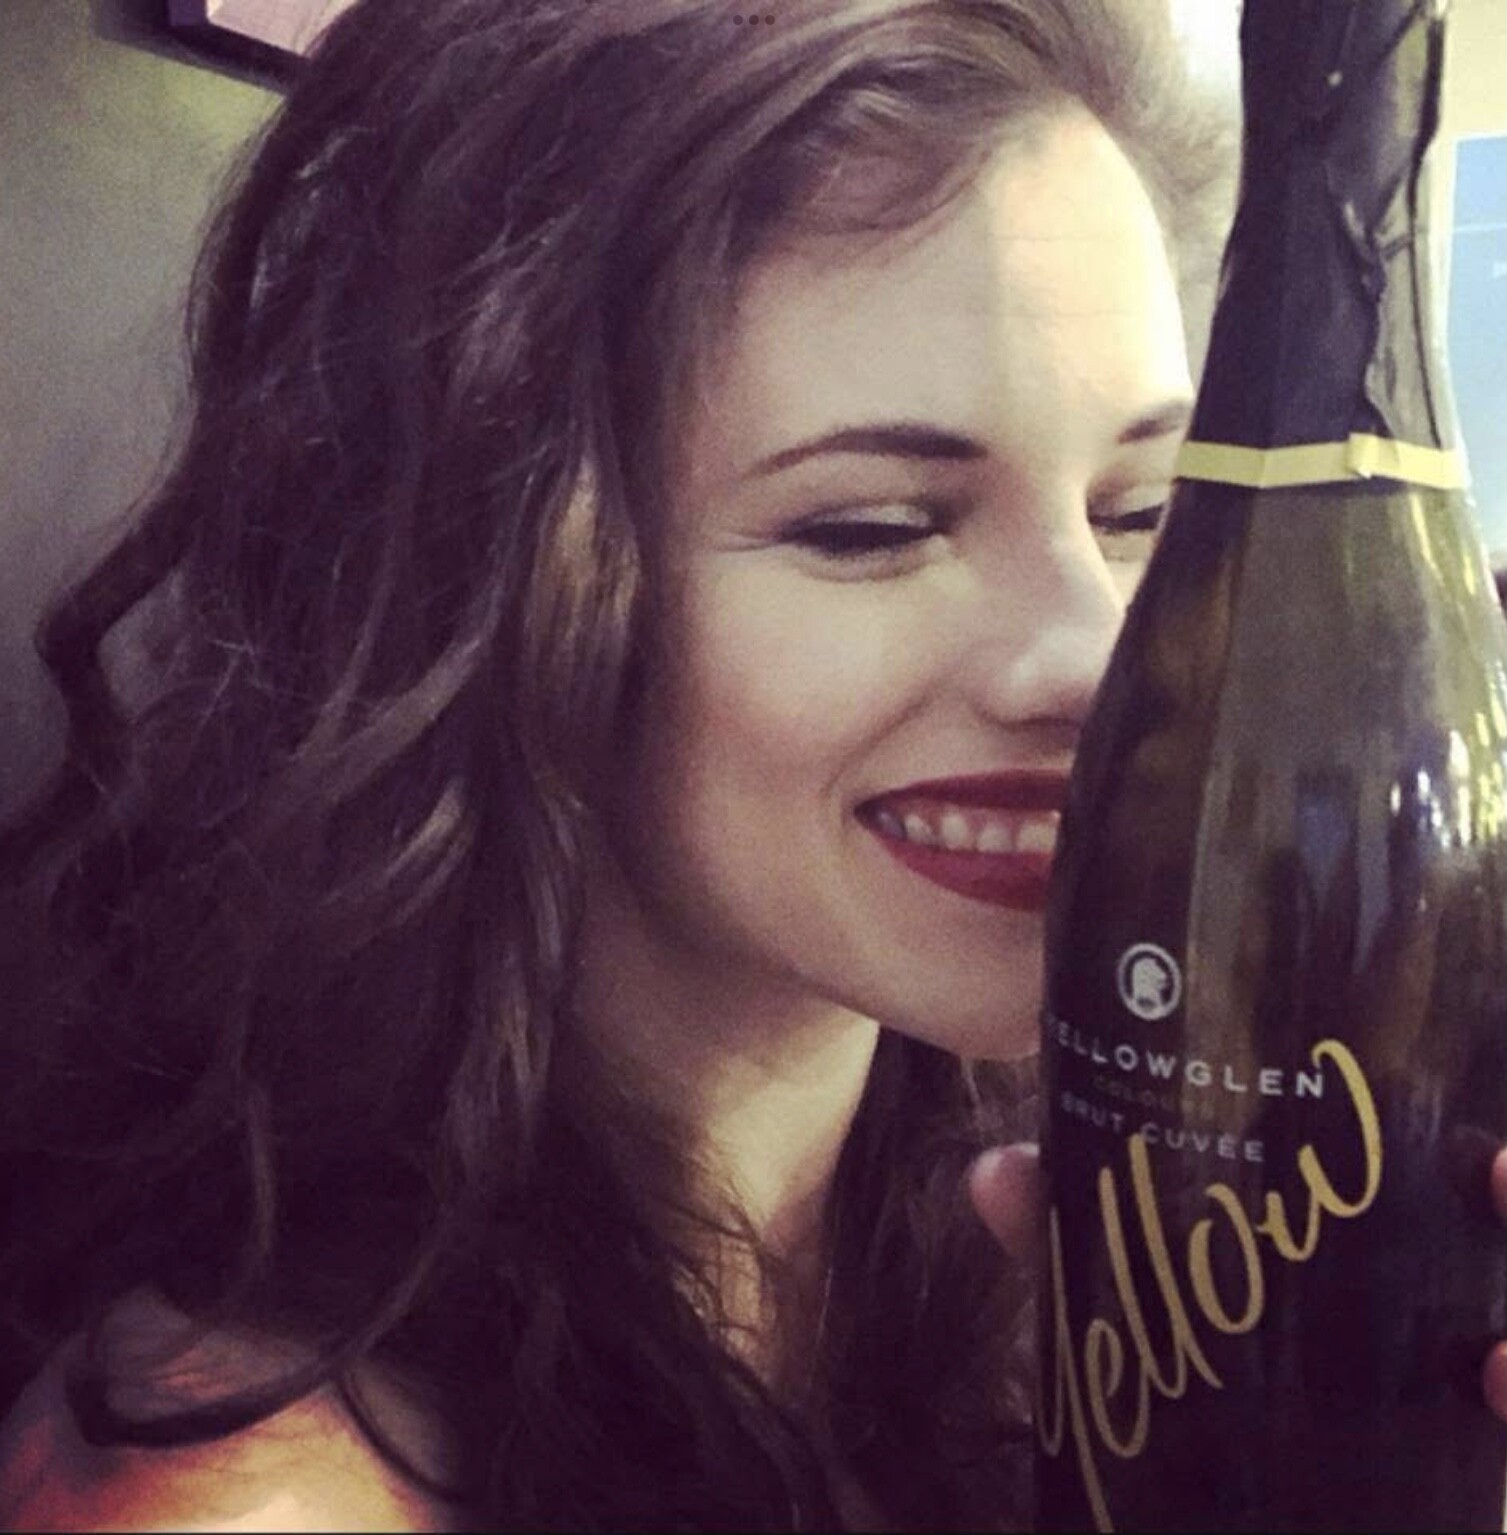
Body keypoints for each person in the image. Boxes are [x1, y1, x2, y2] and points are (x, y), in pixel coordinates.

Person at [1, 0, 1504, 1529]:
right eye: (871, 527)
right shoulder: (255, 1498)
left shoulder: (1066, 1260)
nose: (1101, 657)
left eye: (1139, 515)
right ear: (495, 584)